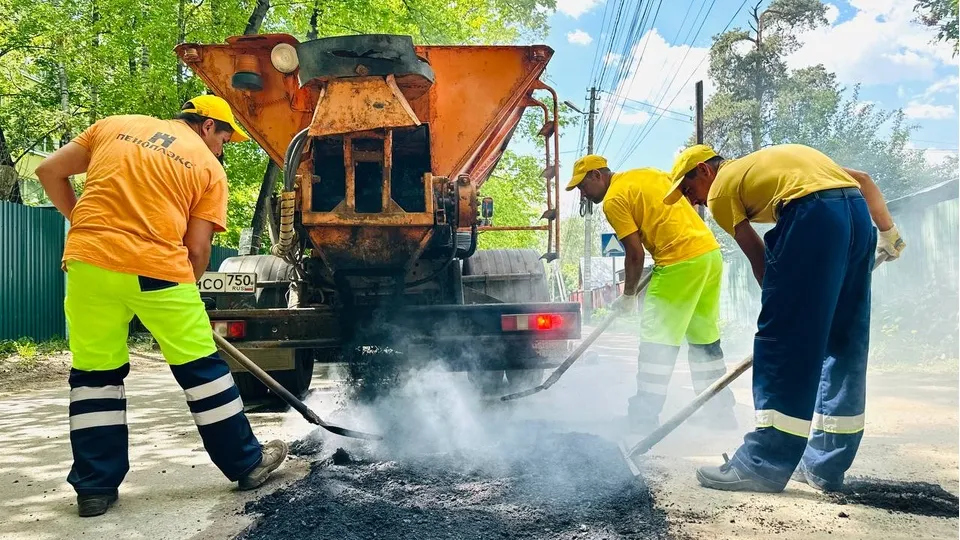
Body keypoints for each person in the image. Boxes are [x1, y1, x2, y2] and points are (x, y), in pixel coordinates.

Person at [35, 95, 288, 517]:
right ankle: (246, 463)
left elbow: (48, 171)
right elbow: (198, 247)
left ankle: (95, 488)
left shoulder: (114, 122)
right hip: (159, 269)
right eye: (225, 137)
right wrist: (184, 292)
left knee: (95, 374)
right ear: (207, 126)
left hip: (88, 263)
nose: (223, 148)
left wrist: (82, 223)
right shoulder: (208, 167)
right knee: (202, 370)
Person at [663, 143, 906, 493]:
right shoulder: (779, 159)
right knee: (843, 341)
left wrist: (781, 314)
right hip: (856, 217)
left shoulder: (720, 189)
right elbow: (863, 182)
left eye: (688, 190)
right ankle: (825, 465)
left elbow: (757, 256)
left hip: (813, 219)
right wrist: (889, 234)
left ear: (704, 170)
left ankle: (762, 464)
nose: (693, 200)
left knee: (782, 344)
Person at [566, 155, 737, 434]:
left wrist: (629, 295)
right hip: (709, 255)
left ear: (597, 176)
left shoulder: (613, 199)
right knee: (704, 340)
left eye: (582, 186)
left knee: (656, 343)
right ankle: (720, 414)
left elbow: (635, 254)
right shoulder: (647, 172)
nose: (582, 194)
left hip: (678, 262)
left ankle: (642, 419)